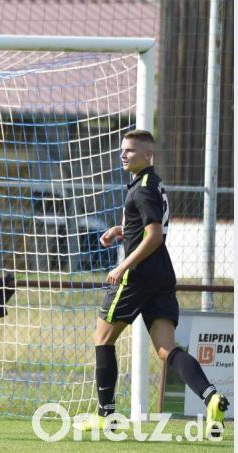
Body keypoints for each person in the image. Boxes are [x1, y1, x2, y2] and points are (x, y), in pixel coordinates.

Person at [73, 129, 229, 435]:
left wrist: (123, 264)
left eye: (130, 151)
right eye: (122, 150)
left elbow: (154, 235)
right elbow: (148, 225)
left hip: (138, 276)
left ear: (147, 155)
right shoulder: (153, 184)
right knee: (167, 350)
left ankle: (106, 416)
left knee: (103, 338)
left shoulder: (142, 188)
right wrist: (123, 230)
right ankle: (211, 397)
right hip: (161, 275)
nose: (123, 155)